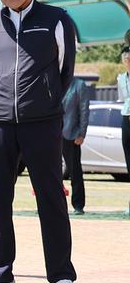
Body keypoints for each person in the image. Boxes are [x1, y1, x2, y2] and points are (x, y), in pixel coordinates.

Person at [0, 0, 78, 283]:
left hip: (42, 122)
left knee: (51, 197)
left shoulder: (57, 19)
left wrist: (44, 101)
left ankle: (62, 277)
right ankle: (0, 277)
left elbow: (64, 71)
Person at [59, 72, 90, 215]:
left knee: (75, 171)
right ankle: (55, 204)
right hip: (53, 134)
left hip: (72, 134)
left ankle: (78, 205)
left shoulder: (79, 85)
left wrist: (82, 133)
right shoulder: (54, 83)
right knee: (51, 172)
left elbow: (84, 111)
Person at [118, 47, 130, 182]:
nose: (127, 60)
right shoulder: (121, 78)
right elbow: (122, 98)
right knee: (127, 150)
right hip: (126, 117)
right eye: (125, 59)